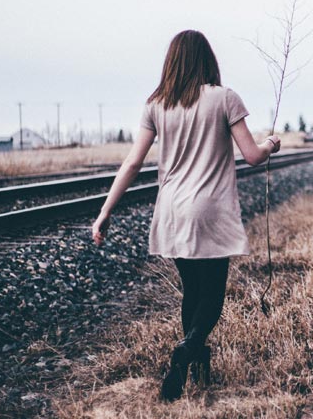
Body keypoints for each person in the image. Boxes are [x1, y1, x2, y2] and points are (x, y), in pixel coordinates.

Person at [91, 30, 280, 401]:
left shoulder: (156, 104)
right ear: (208, 59)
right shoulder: (225, 98)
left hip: (173, 210)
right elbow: (254, 155)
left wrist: (105, 211)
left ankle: (198, 362)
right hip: (211, 209)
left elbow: (132, 163)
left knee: (192, 291)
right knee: (212, 297)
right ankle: (188, 349)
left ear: (172, 61)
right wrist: (272, 143)